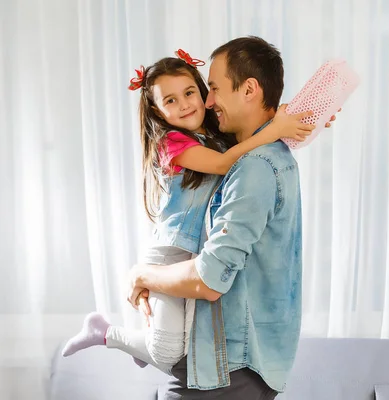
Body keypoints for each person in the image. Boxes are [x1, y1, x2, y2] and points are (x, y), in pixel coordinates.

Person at [61, 48, 315, 375]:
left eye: (190, 92)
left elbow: (252, 129)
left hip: (194, 254)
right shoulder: (172, 143)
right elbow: (226, 163)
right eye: (170, 101)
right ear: (156, 109)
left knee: (176, 346)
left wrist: (289, 117)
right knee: (168, 353)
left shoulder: (215, 136)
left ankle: (146, 346)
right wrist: (276, 128)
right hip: (170, 253)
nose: (184, 105)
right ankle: (107, 333)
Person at [127, 36, 321, 399]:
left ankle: (113, 337)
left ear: (249, 89)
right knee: (167, 345)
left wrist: (140, 275)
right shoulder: (218, 149)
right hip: (181, 267)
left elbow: (209, 280)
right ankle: (118, 339)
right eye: (171, 100)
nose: (206, 101)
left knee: (167, 348)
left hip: (228, 368)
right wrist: (285, 123)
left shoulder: (254, 166)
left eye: (205, 89)